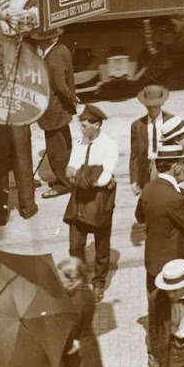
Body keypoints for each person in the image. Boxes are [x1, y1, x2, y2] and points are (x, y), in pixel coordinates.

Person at [137, 142, 184, 367]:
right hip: (174, 263)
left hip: (152, 260)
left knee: (155, 311)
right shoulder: (175, 197)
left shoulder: (148, 189)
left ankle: (155, 358)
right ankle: (174, 356)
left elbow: (139, 216)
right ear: (175, 166)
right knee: (174, 311)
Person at [64, 106, 118, 293]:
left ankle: (99, 282)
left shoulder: (109, 145)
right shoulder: (79, 143)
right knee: (75, 246)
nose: (81, 129)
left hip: (100, 202)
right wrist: (91, 175)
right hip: (79, 201)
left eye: (85, 125)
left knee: (101, 246)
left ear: (97, 125)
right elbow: (69, 171)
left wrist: (82, 176)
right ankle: (80, 281)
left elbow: (104, 178)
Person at [44, 257, 108, 367]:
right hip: (87, 348)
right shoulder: (83, 291)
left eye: (60, 279)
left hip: (77, 354)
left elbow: (66, 333)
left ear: (71, 279)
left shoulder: (77, 301)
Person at [32, 25, 77, 197]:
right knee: (64, 144)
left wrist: (70, 96)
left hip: (53, 109)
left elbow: (59, 84)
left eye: (39, 41)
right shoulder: (61, 49)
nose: (37, 44)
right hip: (61, 108)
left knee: (56, 150)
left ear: (45, 41)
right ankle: (67, 178)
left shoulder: (54, 56)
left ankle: (62, 184)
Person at [129, 84, 184, 195]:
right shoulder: (137, 125)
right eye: (149, 106)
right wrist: (134, 180)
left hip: (169, 169)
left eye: (155, 106)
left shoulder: (173, 122)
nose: (152, 109)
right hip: (146, 171)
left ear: (162, 103)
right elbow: (134, 155)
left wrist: (178, 168)